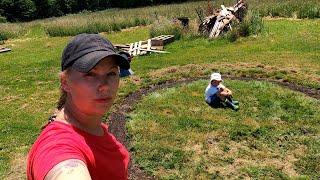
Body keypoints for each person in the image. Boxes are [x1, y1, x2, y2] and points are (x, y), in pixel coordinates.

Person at [27, 33, 131, 180]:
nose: (105, 86)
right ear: (65, 82)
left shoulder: (93, 128)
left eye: (111, 73)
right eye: (90, 74)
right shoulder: (57, 146)